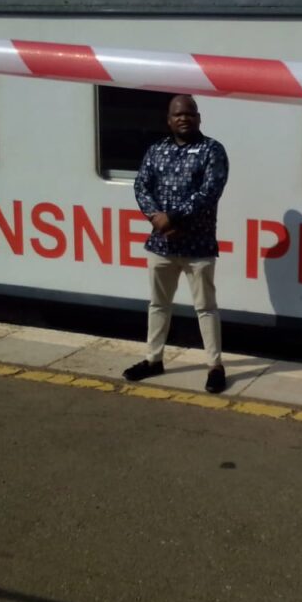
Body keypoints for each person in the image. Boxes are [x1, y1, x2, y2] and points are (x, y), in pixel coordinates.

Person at [124, 94, 230, 393]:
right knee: (158, 304)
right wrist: (156, 218)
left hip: (198, 247)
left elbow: (210, 192)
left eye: (190, 113)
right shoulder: (156, 151)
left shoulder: (212, 150)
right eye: (177, 114)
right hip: (161, 247)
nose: (184, 118)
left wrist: (172, 218)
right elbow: (141, 185)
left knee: (206, 307)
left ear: (199, 117)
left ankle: (215, 366)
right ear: (169, 120)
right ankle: (153, 359)